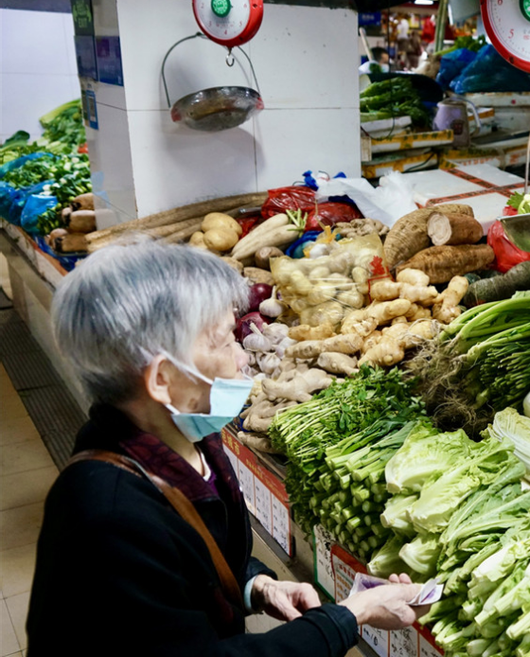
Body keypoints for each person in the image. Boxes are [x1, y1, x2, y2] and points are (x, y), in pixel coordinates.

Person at [26, 240, 425, 656]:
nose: (241, 357)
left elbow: (191, 563)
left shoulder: (186, 440)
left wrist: (256, 584)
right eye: (221, 341)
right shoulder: (108, 521)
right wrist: (350, 615)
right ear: (163, 379)